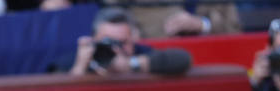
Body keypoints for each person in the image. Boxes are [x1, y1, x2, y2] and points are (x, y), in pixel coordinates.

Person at [55, 7, 192, 77]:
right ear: (93, 39)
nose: (116, 50)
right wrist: (79, 69)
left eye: (123, 43)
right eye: (108, 42)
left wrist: (131, 64)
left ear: (133, 39)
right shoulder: (76, 58)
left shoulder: (141, 52)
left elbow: (183, 59)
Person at [99, 0, 241, 39]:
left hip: (211, 70)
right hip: (153, 73)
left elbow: (235, 32)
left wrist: (203, 25)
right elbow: (109, 20)